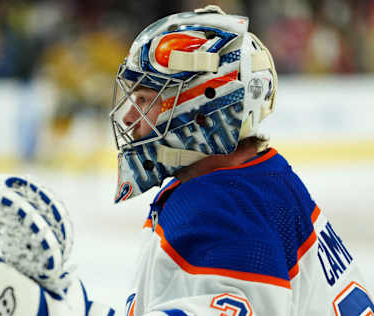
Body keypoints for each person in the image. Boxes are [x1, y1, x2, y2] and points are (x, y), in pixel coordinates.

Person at [110, 5, 373, 316]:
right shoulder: (256, 181)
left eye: (144, 99)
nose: (129, 116)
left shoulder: (224, 211)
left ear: (202, 104)